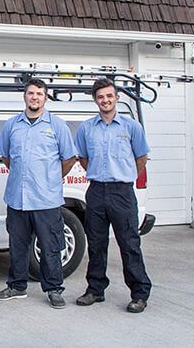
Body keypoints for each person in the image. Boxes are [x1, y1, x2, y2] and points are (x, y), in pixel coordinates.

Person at [0, 78, 76, 309]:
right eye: (31, 93)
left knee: (50, 246)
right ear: (25, 96)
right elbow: (7, 157)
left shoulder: (57, 126)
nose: (35, 97)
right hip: (17, 199)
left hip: (46, 199)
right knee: (18, 245)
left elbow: (69, 158)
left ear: (45, 97)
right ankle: (17, 286)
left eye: (39, 93)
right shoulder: (12, 125)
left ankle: (53, 289)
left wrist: (51, 179)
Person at [74, 77, 152, 313]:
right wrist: (100, 175)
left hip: (122, 192)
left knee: (129, 243)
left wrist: (124, 175)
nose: (105, 100)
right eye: (100, 97)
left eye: (109, 96)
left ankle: (139, 293)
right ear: (95, 100)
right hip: (96, 190)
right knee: (96, 244)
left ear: (116, 98)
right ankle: (95, 290)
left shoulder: (131, 127)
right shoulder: (86, 128)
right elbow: (83, 158)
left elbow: (141, 158)